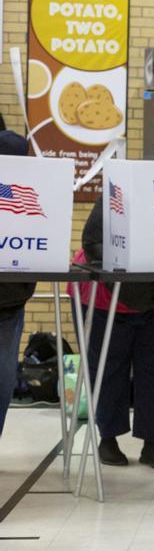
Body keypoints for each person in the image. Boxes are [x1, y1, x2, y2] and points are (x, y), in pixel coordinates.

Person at [77, 142, 154, 469]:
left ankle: (151, 443)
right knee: (109, 367)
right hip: (106, 299)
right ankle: (108, 439)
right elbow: (94, 241)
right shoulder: (122, 189)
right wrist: (134, 279)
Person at [0, 130, 34, 438]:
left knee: (3, 380)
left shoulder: (29, 192)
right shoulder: (29, 191)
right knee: (3, 379)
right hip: (11, 304)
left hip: (10, 305)